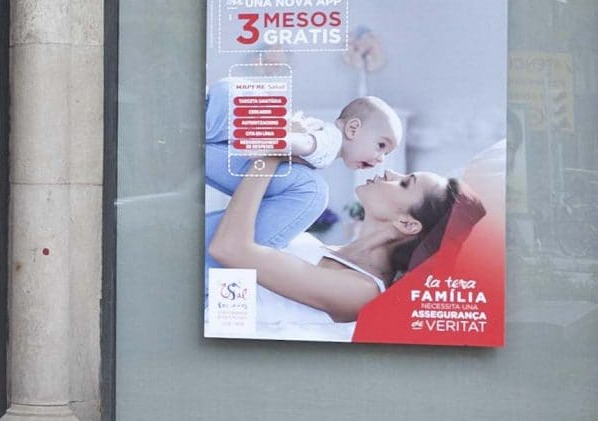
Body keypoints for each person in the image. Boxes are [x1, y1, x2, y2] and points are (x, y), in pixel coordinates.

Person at [207, 155, 467, 332]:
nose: (390, 172)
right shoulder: (322, 247)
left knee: (311, 189)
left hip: (199, 314)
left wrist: (268, 158)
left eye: (404, 183)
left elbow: (229, 249)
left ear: (407, 224)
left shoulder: (362, 291)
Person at [200, 82, 401, 257]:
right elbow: (303, 143)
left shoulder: (325, 135)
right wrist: (270, 144)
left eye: (387, 153)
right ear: (353, 129)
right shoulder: (329, 145)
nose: (381, 158)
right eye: (381, 146)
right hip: (232, 112)